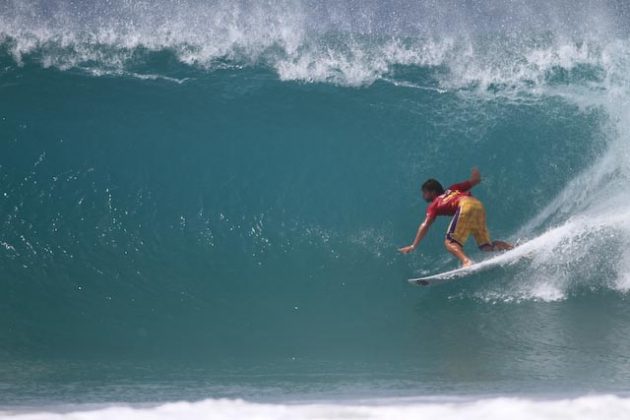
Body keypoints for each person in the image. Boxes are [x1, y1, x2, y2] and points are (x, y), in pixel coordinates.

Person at [398, 167, 512, 267]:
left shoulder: (434, 204)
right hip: (477, 205)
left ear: (432, 192)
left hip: (465, 206)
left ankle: (466, 261)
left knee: (450, 243)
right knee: (486, 247)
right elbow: (475, 180)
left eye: (425, 193)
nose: (423, 196)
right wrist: (475, 170)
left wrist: (414, 245)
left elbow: (425, 224)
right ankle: (510, 247)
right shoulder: (453, 188)